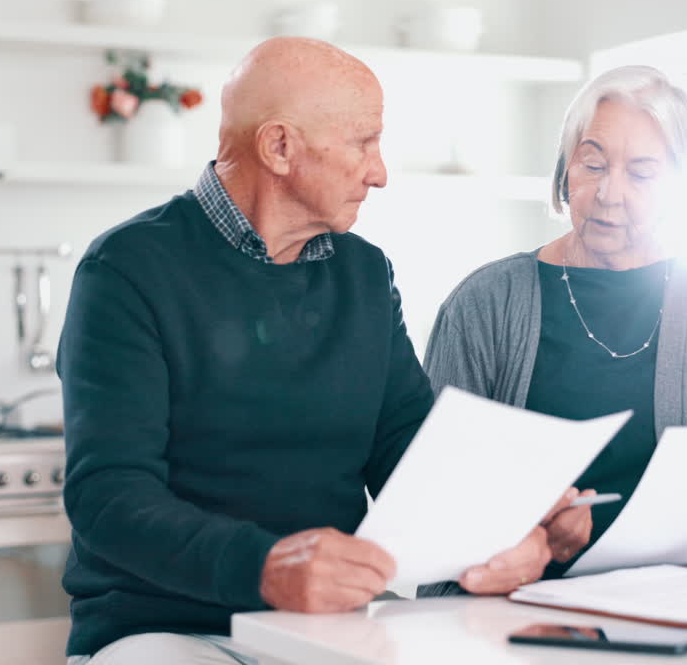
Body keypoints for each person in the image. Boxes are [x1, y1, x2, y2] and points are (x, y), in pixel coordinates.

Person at [56, 37, 552, 665]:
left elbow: (411, 455)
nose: (379, 172)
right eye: (363, 142)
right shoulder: (127, 268)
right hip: (162, 631)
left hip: (326, 630)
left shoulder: (364, 273)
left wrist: (503, 531)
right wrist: (264, 568)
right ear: (279, 148)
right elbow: (108, 498)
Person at [422, 65, 687, 585]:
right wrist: (526, 540)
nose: (609, 193)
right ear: (564, 170)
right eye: (592, 164)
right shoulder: (485, 302)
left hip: (686, 607)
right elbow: (431, 499)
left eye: (642, 174)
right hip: (517, 611)